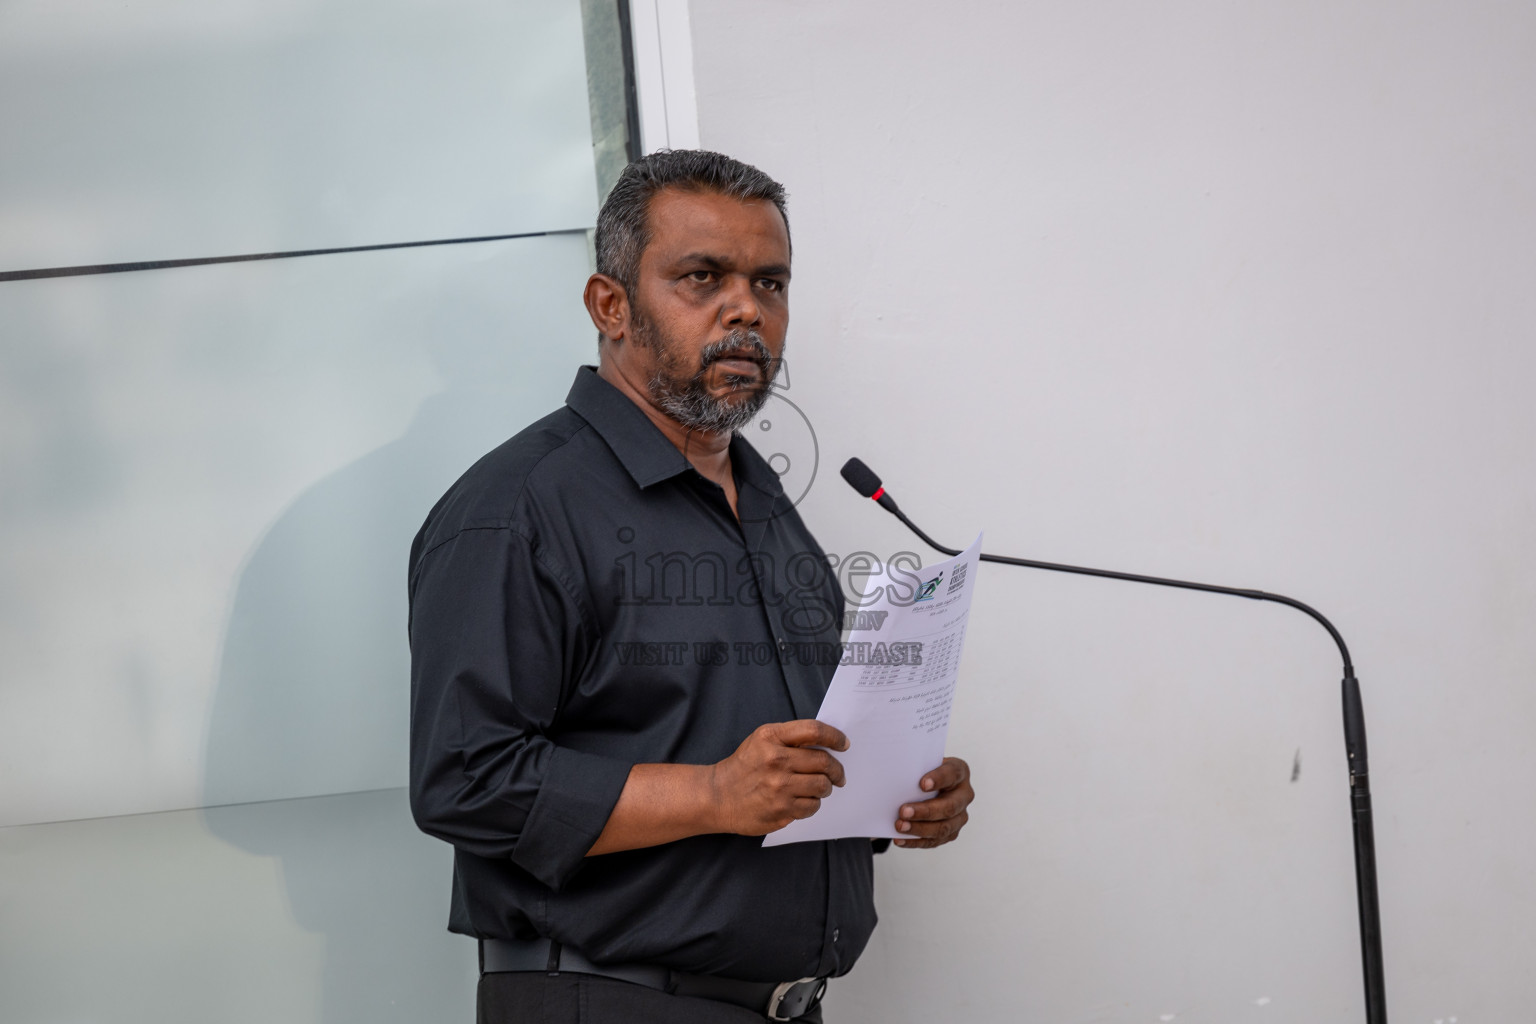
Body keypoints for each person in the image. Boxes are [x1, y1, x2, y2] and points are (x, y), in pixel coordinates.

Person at [407, 150, 975, 1023]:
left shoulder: (767, 505)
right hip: (609, 1000)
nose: (746, 308)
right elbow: (466, 779)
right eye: (702, 277)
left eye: (771, 283)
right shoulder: (517, 510)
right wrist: (714, 794)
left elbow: (776, 758)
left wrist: (889, 796)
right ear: (611, 306)